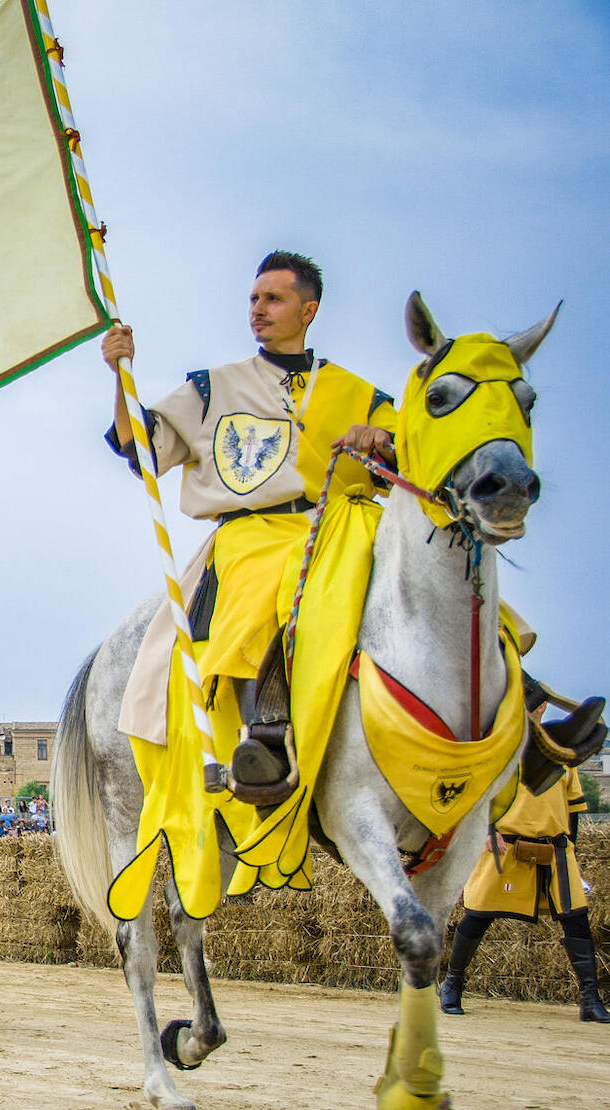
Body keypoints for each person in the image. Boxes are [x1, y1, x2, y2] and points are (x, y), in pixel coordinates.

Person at [101, 252, 397, 808]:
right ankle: (267, 724)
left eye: (273, 299)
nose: (258, 309)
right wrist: (120, 374)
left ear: (309, 311)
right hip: (254, 535)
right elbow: (140, 446)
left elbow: (414, 466)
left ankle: (515, 705)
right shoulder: (215, 388)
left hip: (342, 526)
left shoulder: (358, 395)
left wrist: (380, 442)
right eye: (254, 299)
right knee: (271, 584)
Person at [441, 695, 609, 1024]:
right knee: (477, 917)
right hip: (506, 848)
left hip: (555, 851)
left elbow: (573, 808)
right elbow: (473, 798)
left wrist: (571, 847)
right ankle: (452, 985)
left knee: (576, 921)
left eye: (535, 706)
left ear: (543, 709)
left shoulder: (562, 756)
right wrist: (486, 832)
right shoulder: (498, 752)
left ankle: (590, 999)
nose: (531, 711)